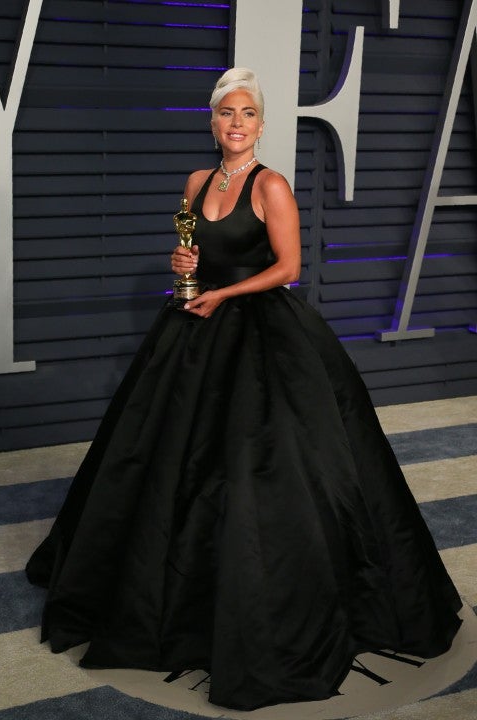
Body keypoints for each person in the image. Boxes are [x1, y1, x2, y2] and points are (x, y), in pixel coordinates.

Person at [26, 67, 462, 711]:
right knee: (165, 456)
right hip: (193, 326)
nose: (237, 123)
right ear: (213, 122)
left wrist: (225, 292)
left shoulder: (271, 185)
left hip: (262, 333)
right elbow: (195, 248)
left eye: (247, 113)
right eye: (226, 113)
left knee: (261, 462)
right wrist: (185, 265)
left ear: (261, 124)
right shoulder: (197, 182)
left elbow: (288, 268)